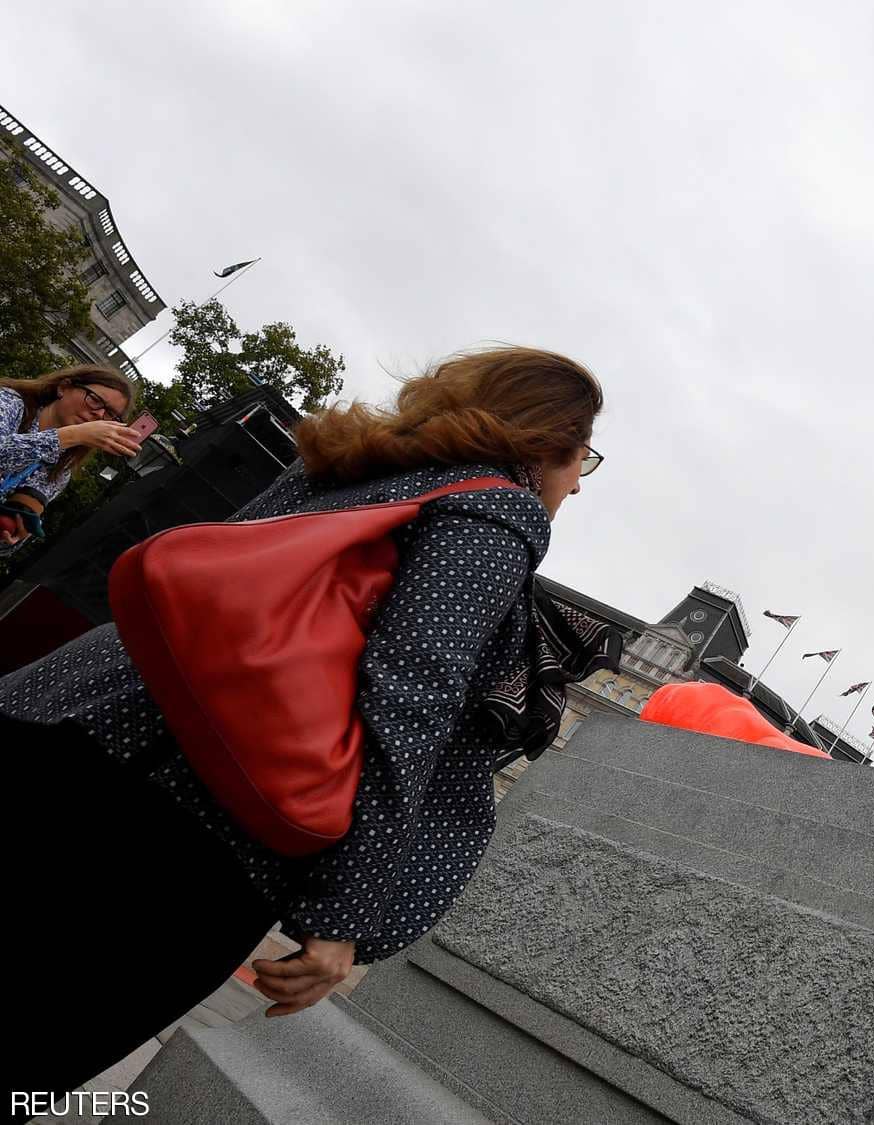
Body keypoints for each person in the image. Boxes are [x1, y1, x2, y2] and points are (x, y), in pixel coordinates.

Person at [0, 346, 618, 1097]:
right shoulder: (498, 510)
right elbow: (408, 701)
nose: (579, 484)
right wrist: (345, 911)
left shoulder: (347, 459)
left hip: (73, 707)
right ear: (547, 442)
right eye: (585, 456)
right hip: (199, 826)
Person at [0, 365, 142, 551]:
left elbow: (11, 543)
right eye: (95, 400)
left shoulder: (60, 469)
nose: (99, 414)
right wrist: (73, 435)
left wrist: (13, 535)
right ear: (63, 388)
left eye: (110, 415)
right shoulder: (11, 402)